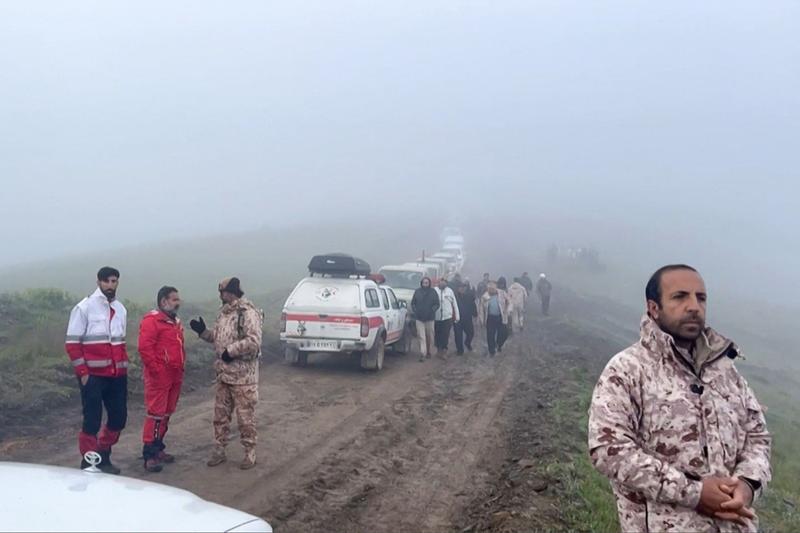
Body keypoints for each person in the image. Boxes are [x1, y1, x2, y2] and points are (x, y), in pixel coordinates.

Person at [588, 265, 771, 532]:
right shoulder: (627, 370)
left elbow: (757, 437)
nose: (694, 306)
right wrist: (694, 493)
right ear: (654, 308)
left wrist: (747, 485)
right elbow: (608, 450)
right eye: (680, 296)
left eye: (701, 298)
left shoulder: (727, 373)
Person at [190, 277, 263, 470]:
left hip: (243, 377)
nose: (220, 296)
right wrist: (203, 332)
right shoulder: (224, 314)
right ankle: (219, 450)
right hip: (224, 375)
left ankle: (249, 452)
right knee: (220, 417)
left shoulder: (248, 313)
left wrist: (231, 352)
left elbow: (254, 341)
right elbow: (218, 338)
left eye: (222, 292)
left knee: (245, 418)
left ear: (230, 292)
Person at [65, 266, 128, 474]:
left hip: (117, 375)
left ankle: (102, 454)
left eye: (114, 281)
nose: (110, 285)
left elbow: (120, 343)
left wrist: (123, 368)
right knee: (92, 420)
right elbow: (72, 344)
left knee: (119, 418)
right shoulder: (84, 308)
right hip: (92, 376)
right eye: (106, 281)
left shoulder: (120, 309)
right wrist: (83, 374)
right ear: (99, 282)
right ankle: (89, 463)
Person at [138, 286, 185, 473]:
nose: (178, 302)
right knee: (155, 414)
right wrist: (156, 370)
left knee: (166, 413)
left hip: (175, 374)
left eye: (178, 299)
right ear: (164, 301)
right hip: (160, 375)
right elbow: (145, 348)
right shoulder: (152, 321)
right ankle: (149, 454)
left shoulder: (174, 321)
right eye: (174, 299)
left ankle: (158, 448)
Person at [411, 277, 439, 362]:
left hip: (430, 318)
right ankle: (423, 353)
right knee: (421, 336)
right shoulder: (417, 292)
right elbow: (413, 303)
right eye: (424, 283)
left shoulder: (433, 292)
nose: (425, 284)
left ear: (429, 283)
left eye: (427, 283)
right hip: (419, 318)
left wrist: (432, 310)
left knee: (430, 335)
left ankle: (429, 351)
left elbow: (437, 304)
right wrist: (416, 311)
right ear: (421, 283)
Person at [478, 281, 509, 356]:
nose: (491, 290)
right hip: (490, 318)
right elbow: (481, 309)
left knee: (504, 333)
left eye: (492, 289)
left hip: (501, 317)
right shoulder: (484, 297)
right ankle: (491, 351)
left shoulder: (502, 293)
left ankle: (499, 344)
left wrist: (508, 310)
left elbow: (509, 301)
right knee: (490, 335)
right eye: (489, 289)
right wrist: (481, 320)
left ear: (496, 288)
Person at [434, 278, 460, 358]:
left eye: (444, 282)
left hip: (447, 317)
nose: (443, 283)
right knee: (437, 334)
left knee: (445, 334)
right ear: (439, 282)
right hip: (436, 317)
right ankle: (438, 349)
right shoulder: (434, 290)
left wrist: (457, 316)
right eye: (441, 282)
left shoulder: (450, 291)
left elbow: (454, 304)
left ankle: (444, 351)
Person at [453, 282, 477, 354]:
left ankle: (467, 343)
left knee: (471, 333)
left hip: (467, 319)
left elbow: (473, 305)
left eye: (464, 287)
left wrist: (475, 314)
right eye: (461, 287)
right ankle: (460, 350)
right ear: (458, 288)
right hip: (457, 319)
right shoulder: (454, 297)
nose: (462, 289)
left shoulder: (469, 296)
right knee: (458, 335)